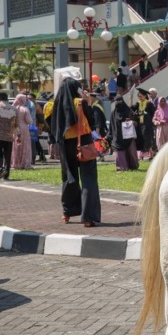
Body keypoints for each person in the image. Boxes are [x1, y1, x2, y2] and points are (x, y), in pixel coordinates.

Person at [50, 67, 101, 227]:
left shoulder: (54, 105)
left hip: (66, 145)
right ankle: (88, 217)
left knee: (68, 177)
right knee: (89, 178)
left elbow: (51, 125)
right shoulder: (80, 102)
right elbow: (92, 122)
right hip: (83, 141)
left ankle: (67, 213)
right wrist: (87, 101)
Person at [109, 75, 141, 171]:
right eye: (117, 101)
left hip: (128, 136)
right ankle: (121, 167)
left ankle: (133, 165)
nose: (118, 103)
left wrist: (131, 120)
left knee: (130, 151)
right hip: (118, 136)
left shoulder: (128, 110)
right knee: (120, 152)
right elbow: (112, 125)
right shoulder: (114, 113)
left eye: (120, 101)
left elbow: (135, 120)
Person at [10, 92, 34, 171]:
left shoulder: (12, 108)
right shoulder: (25, 109)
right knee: (24, 145)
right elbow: (29, 121)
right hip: (23, 128)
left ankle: (15, 163)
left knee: (16, 145)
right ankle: (24, 163)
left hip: (15, 128)